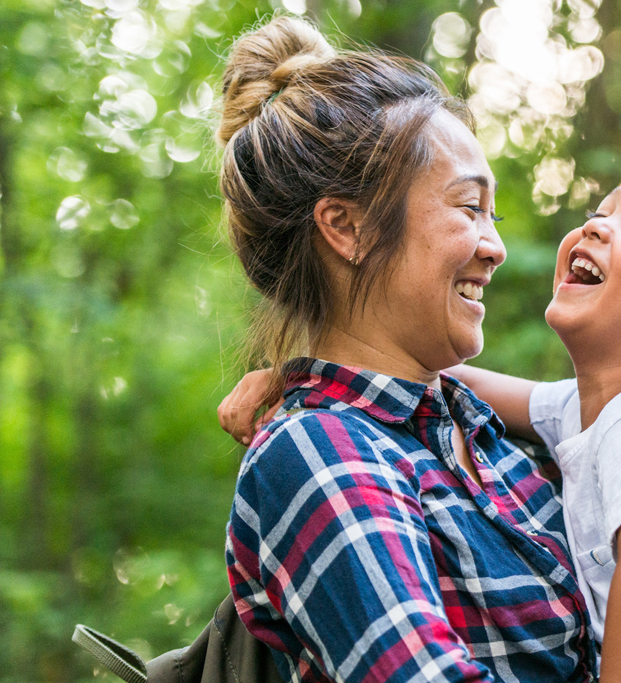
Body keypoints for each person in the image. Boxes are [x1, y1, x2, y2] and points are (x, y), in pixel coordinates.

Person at [224, 155, 621, 682]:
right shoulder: (606, 411)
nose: (596, 225)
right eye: (604, 209)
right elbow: (445, 383)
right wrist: (293, 376)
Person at [213, 15, 595, 683]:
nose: (495, 246)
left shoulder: (483, 436)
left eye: (492, 214)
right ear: (347, 226)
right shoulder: (315, 452)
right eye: (467, 207)